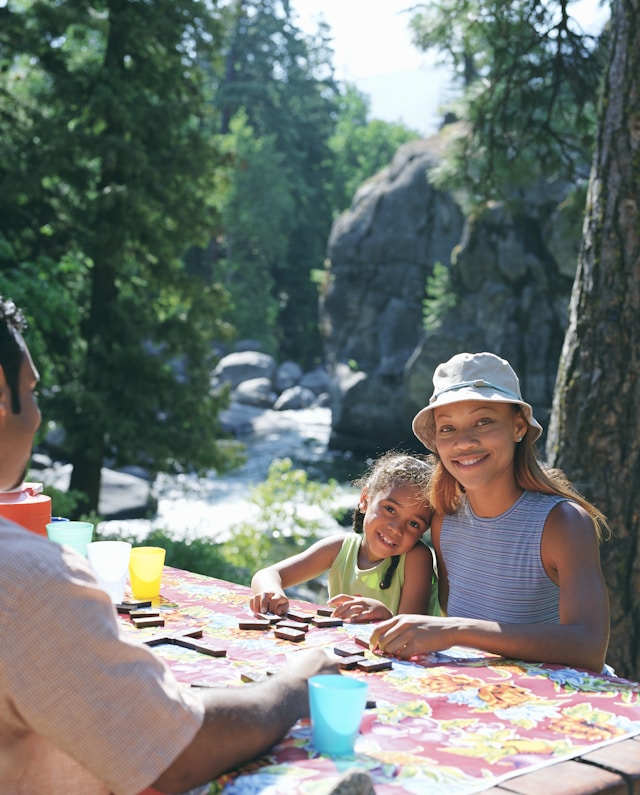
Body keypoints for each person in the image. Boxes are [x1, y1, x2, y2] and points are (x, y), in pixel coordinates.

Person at [0, 296, 339, 795]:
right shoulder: (25, 577)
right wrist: (295, 685)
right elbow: (174, 753)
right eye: (29, 393)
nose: (37, 415)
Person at [369, 351, 611, 674]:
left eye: (483, 421)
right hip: (473, 698)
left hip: (550, 708)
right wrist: (393, 619)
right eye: (448, 429)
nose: (464, 442)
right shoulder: (444, 519)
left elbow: (590, 647)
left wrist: (457, 629)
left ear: (518, 427)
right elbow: (446, 616)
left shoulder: (563, 523)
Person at [250, 451, 438, 623]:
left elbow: (412, 629)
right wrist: (271, 591)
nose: (396, 529)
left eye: (414, 524)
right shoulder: (339, 549)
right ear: (365, 499)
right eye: (390, 509)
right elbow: (266, 575)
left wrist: (384, 615)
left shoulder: (416, 558)